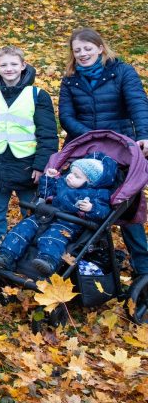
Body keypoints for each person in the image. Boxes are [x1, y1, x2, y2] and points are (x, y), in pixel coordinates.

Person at [58, 27, 148, 278]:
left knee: (126, 206)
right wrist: (91, 138)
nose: (83, 54)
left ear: (100, 47)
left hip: (120, 151)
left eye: (87, 48)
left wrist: (143, 135)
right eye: (77, 51)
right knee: (82, 203)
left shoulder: (122, 72)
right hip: (84, 151)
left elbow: (137, 104)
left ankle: (143, 267)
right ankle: (87, 257)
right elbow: (66, 116)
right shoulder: (70, 79)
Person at [0, 46, 58, 248]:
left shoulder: (37, 95)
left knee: (31, 211)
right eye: (4, 65)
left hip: (27, 164)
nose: (9, 68)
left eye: (13, 64)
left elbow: (47, 134)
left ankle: (29, 248)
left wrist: (41, 165)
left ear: (23, 66)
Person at [0, 156, 117, 275]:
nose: (70, 176)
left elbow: (104, 212)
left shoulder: (97, 194)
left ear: (90, 182)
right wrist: (48, 179)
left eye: (77, 176)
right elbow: (44, 194)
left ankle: (47, 261)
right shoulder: (62, 183)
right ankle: (6, 255)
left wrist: (91, 208)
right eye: (71, 172)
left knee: (54, 237)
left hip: (68, 223)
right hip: (46, 216)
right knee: (23, 228)